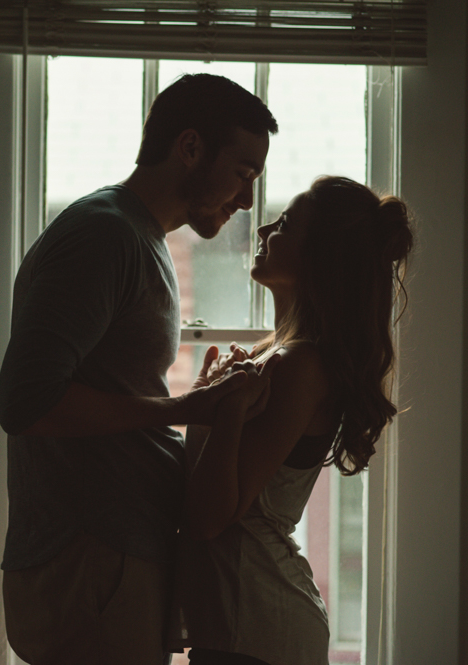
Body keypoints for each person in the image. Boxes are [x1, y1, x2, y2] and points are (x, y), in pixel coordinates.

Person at [0, 74, 279, 665]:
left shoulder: (138, 236)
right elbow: (25, 402)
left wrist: (197, 399)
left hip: (110, 552)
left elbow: (109, 388)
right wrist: (184, 407)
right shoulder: (105, 235)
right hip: (90, 555)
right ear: (191, 147)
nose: (248, 200)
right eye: (243, 173)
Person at [170, 176, 414, 665]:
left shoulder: (299, 366)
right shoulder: (274, 356)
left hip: (259, 629)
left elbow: (209, 518)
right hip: (242, 622)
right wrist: (205, 400)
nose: (263, 230)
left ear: (319, 257)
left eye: (282, 225)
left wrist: (226, 411)